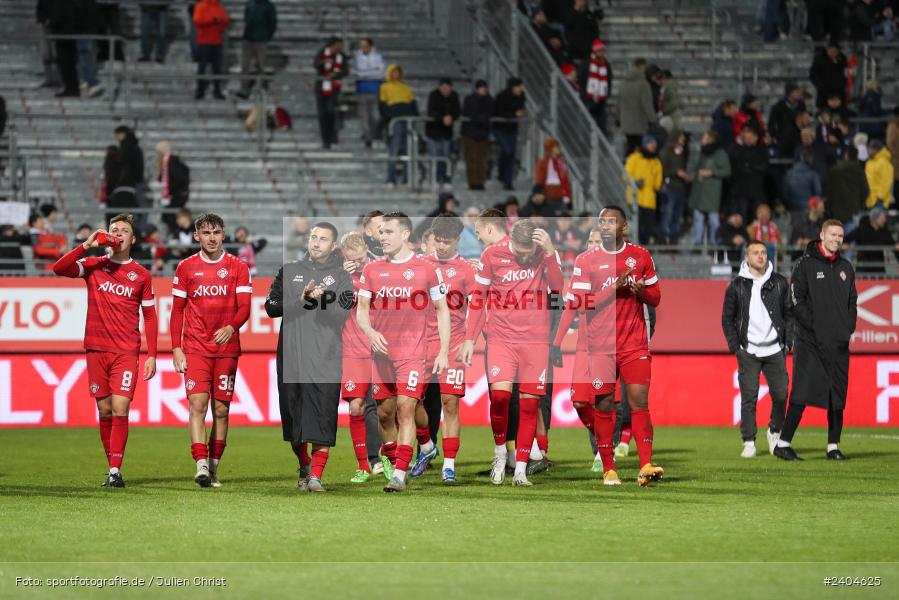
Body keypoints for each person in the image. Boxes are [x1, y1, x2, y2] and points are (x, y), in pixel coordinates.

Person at [554, 206, 663, 486]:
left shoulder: (640, 256)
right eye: (601, 221)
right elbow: (579, 303)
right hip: (599, 345)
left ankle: (646, 464)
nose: (604, 226)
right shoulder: (586, 260)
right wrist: (613, 289)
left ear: (623, 227)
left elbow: (656, 297)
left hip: (634, 342)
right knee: (602, 404)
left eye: (610, 222)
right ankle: (609, 468)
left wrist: (641, 291)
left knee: (639, 401)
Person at [52, 213, 157, 487]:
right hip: (96, 347)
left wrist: (152, 355)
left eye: (124, 230)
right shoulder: (94, 266)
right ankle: (111, 466)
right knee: (105, 410)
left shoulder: (142, 275)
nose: (119, 233)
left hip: (126, 350)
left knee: (121, 408)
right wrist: (85, 246)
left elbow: (150, 317)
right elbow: (59, 268)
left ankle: (115, 470)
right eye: (114, 229)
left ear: (132, 239)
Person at [459, 217, 563, 487]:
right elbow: (479, 297)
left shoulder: (544, 254)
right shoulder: (492, 254)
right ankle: (500, 453)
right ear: (511, 241)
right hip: (501, 339)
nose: (523, 256)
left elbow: (558, 287)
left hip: (535, 342)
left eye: (527, 252)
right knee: (501, 398)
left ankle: (521, 470)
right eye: (519, 251)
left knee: (530, 405)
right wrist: (470, 338)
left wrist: (550, 253)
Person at [355, 212, 451, 493]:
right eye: (380, 232)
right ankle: (426, 444)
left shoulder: (427, 269)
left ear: (405, 235)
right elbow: (361, 310)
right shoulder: (372, 270)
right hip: (381, 353)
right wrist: (371, 333)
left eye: (387, 232)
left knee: (405, 407)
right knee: (385, 413)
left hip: (413, 351)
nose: (381, 237)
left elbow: (442, 309)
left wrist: (443, 350)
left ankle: (399, 473)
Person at [264, 222, 352, 492]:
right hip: (292, 358)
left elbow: (341, 315)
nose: (316, 242)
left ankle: (315, 476)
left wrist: (323, 298)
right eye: (313, 237)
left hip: (326, 357)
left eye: (323, 239)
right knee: (294, 422)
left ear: (332, 245)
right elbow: (271, 307)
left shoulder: (341, 277)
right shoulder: (288, 271)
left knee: (324, 416)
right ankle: (304, 464)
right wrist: (301, 300)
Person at [169, 213, 252, 487]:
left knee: (221, 410)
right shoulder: (185, 268)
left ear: (223, 234)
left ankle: (214, 466)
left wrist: (231, 327)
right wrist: (176, 348)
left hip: (226, 348)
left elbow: (245, 308)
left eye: (216, 232)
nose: (212, 238)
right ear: (197, 236)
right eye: (206, 233)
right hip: (195, 347)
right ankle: (201, 463)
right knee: (197, 404)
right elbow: (177, 311)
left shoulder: (238, 267)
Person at [775, 221, 857, 461]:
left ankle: (833, 447)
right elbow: (795, 300)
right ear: (822, 235)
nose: (837, 239)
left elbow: (853, 302)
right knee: (801, 392)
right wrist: (816, 327)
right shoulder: (805, 264)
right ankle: (783, 443)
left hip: (838, 342)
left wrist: (848, 327)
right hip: (810, 341)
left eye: (840, 235)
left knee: (837, 394)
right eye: (833, 234)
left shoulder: (846, 267)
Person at [409, 214, 476, 484]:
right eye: (437, 240)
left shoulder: (467, 270)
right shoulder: (420, 265)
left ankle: (449, 464)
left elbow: (476, 307)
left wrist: (470, 340)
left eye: (447, 241)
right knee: (409, 401)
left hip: (454, 343)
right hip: (419, 343)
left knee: (450, 404)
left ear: (458, 240)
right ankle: (426, 445)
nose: (441, 246)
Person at [722, 241, 792, 458]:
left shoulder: (780, 282)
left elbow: (790, 315)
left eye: (763, 252)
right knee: (749, 397)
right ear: (747, 258)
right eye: (755, 253)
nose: (760, 256)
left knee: (781, 394)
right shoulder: (736, 285)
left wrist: (788, 343)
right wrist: (736, 347)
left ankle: (774, 431)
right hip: (748, 350)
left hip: (774, 349)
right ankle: (749, 441)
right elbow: (728, 319)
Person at [690, 130, 730, 246]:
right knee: (698, 219)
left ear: (711, 140)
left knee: (714, 220)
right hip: (699, 192)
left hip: (712, 193)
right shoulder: (703, 152)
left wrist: (711, 172)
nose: (702, 139)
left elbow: (727, 171)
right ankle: (697, 243)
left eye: (705, 137)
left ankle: (715, 242)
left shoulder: (720, 154)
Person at [379, 64, 418, 187]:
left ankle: (407, 178)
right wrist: (390, 117)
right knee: (394, 149)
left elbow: (412, 103)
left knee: (408, 149)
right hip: (395, 121)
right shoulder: (384, 87)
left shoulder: (406, 87)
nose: (396, 74)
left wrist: (413, 115)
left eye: (397, 72)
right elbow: (383, 105)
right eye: (393, 72)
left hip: (407, 120)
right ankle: (391, 178)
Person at [625, 134, 663, 245]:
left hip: (649, 200)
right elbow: (625, 175)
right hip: (635, 198)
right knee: (637, 226)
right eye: (652, 144)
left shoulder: (656, 162)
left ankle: (644, 250)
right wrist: (635, 182)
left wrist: (658, 186)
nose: (654, 146)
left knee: (648, 227)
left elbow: (657, 183)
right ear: (646, 144)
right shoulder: (634, 158)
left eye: (655, 145)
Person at [237, 0, 277, 98]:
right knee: (245, 65)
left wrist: (267, 36)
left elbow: (272, 23)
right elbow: (246, 18)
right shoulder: (249, 4)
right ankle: (244, 88)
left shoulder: (268, 6)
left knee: (260, 65)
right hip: (248, 39)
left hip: (261, 40)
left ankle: (262, 87)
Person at [425, 78, 461, 186]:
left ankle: (446, 178)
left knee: (446, 156)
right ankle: (435, 178)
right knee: (436, 156)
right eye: (443, 87)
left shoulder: (454, 96)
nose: (446, 90)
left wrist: (451, 117)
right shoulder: (433, 95)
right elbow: (431, 111)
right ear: (440, 87)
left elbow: (457, 111)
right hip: (433, 131)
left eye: (448, 87)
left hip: (446, 132)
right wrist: (442, 118)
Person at [729, 124, 769, 219]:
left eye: (751, 137)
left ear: (756, 137)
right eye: (746, 137)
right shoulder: (737, 149)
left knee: (757, 219)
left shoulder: (761, 150)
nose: (749, 139)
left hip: (757, 192)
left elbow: (764, 167)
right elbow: (736, 165)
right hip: (741, 191)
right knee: (741, 218)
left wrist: (750, 165)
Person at [493, 77, 526, 191]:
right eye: (518, 86)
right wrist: (514, 114)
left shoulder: (521, 96)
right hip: (500, 128)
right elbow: (499, 112)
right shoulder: (501, 96)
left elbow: (521, 109)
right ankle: (502, 173)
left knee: (511, 154)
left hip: (512, 128)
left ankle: (508, 181)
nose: (521, 89)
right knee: (507, 150)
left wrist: (520, 113)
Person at [192, 0, 229, 100]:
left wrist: (220, 26)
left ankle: (217, 90)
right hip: (204, 41)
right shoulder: (201, 6)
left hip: (217, 41)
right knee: (202, 67)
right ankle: (200, 90)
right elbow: (197, 21)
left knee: (217, 68)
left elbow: (225, 21)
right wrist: (213, 20)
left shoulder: (219, 6)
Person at [619, 58, 657, 157]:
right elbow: (647, 104)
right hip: (639, 123)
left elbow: (619, 102)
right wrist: (653, 119)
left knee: (630, 145)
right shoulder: (643, 85)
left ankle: (627, 166)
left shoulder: (623, 83)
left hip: (626, 122)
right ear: (642, 66)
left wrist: (618, 118)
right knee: (640, 148)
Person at [352, 38, 386, 148]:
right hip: (362, 90)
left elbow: (381, 73)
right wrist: (372, 72)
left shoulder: (378, 56)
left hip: (375, 89)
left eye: (365, 45)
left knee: (376, 116)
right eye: (361, 46)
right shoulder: (357, 56)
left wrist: (365, 74)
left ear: (370, 46)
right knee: (365, 116)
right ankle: (368, 138)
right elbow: (356, 72)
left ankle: (374, 134)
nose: (363, 48)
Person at [658, 129, 690, 244]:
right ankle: (662, 239)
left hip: (680, 188)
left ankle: (673, 239)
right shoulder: (666, 151)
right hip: (669, 188)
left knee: (677, 216)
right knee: (668, 214)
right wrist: (676, 172)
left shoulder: (682, 151)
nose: (684, 139)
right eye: (682, 137)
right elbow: (662, 170)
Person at [845, 205, 899, 274]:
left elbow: (894, 247)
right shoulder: (862, 229)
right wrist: (843, 245)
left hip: (879, 269)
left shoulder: (885, 232)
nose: (885, 220)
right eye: (882, 218)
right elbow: (847, 238)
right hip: (863, 269)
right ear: (875, 218)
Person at [314, 36, 346, 149]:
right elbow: (315, 64)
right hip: (321, 88)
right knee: (322, 115)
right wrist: (324, 62)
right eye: (338, 45)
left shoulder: (341, 56)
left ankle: (332, 133)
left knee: (331, 111)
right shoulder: (322, 53)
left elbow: (345, 70)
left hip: (334, 88)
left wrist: (336, 74)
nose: (340, 47)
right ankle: (325, 140)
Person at [460, 80, 493, 190]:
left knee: (481, 160)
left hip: (482, 133)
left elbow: (489, 113)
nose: (484, 90)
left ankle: (480, 182)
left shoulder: (489, 100)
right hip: (471, 133)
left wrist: (480, 119)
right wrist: (481, 119)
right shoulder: (470, 100)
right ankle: (473, 182)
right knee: (472, 159)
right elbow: (470, 113)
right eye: (482, 88)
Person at [826, 146, 869, 225]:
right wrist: (860, 206)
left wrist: (829, 207)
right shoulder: (859, 170)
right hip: (854, 210)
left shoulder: (835, 170)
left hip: (837, 211)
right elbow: (865, 191)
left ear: (846, 155)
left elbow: (829, 191)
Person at [154, 141, 190, 236]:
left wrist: (170, 191)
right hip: (178, 193)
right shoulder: (171, 162)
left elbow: (178, 178)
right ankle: (178, 234)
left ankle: (179, 235)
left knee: (169, 216)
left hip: (178, 194)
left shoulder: (171, 162)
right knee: (168, 215)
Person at [578, 39, 612, 135]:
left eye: (602, 50)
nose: (601, 52)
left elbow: (609, 80)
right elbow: (581, 79)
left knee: (602, 125)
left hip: (601, 99)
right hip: (588, 98)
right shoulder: (585, 64)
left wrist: (606, 93)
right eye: (600, 50)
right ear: (594, 51)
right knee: (587, 124)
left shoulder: (606, 64)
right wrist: (587, 94)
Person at [782, 149, 823, 215]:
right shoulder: (813, 174)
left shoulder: (789, 173)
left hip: (792, 209)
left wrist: (790, 204)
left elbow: (785, 193)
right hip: (808, 209)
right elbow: (818, 192)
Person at [768, 83, 805, 150]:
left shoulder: (801, 106)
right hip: (783, 141)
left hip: (798, 141)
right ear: (790, 93)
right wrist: (776, 137)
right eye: (796, 92)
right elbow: (771, 123)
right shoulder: (778, 107)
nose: (799, 94)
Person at [535, 138, 571, 207]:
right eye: (555, 147)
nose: (558, 149)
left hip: (560, 194)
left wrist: (568, 196)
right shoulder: (542, 163)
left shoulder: (561, 162)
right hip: (548, 194)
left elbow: (564, 180)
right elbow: (539, 180)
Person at [809, 43, 846, 109]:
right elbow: (813, 76)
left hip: (839, 96)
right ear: (827, 50)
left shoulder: (841, 59)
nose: (833, 53)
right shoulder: (819, 59)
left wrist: (838, 95)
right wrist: (823, 88)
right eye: (831, 51)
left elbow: (844, 77)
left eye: (835, 51)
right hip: (823, 95)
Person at [865, 138, 894, 208]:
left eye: (870, 149)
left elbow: (886, 182)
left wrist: (880, 197)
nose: (868, 151)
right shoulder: (869, 162)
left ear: (876, 150)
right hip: (870, 200)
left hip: (880, 201)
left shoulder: (884, 162)